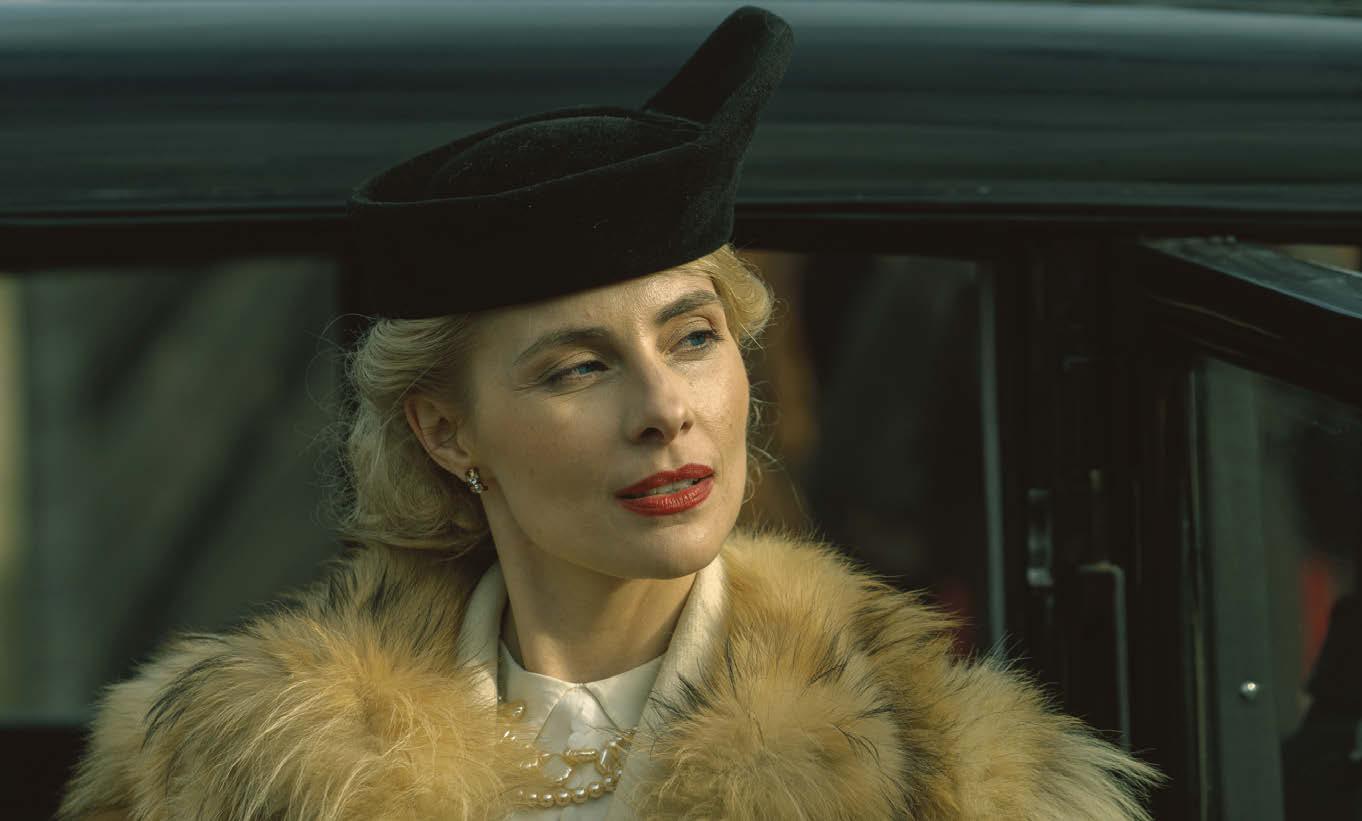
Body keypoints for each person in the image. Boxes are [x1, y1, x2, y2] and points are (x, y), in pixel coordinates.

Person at [58, 7, 1159, 819]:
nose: (666, 409)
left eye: (694, 337)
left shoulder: (960, 778)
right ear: (445, 431)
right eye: (578, 368)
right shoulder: (220, 765)